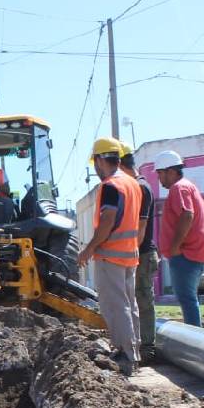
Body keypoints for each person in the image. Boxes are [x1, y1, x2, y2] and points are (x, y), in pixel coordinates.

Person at [79, 137, 142, 375]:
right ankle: (133, 351)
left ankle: (125, 355)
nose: (95, 168)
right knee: (129, 304)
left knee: (116, 306)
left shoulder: (110, 186)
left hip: (111, 255)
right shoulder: (132, 183)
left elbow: (107, 221)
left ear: (99, 160)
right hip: (129, 254)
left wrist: (90, 248)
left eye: (95, 161)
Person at [155, 150, 204, 327]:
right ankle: (195, 335)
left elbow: (187, 215)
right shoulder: (187, 186)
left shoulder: (179, 188)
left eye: (160, 174)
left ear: (171, 171)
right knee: (189, 298)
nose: (160, 179)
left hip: (187, 253)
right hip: (193, 251)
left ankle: (195, 339)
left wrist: (174, 246)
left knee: (187, 299)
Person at [120, 143, 158, 359]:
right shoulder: (135, 187)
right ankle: (138, 346)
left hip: (141, 254)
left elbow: (140, 228)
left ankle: (147, 349)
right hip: (138, 253)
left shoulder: (141, 188)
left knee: (143, 301)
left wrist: (130, 254)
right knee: (135, 300)